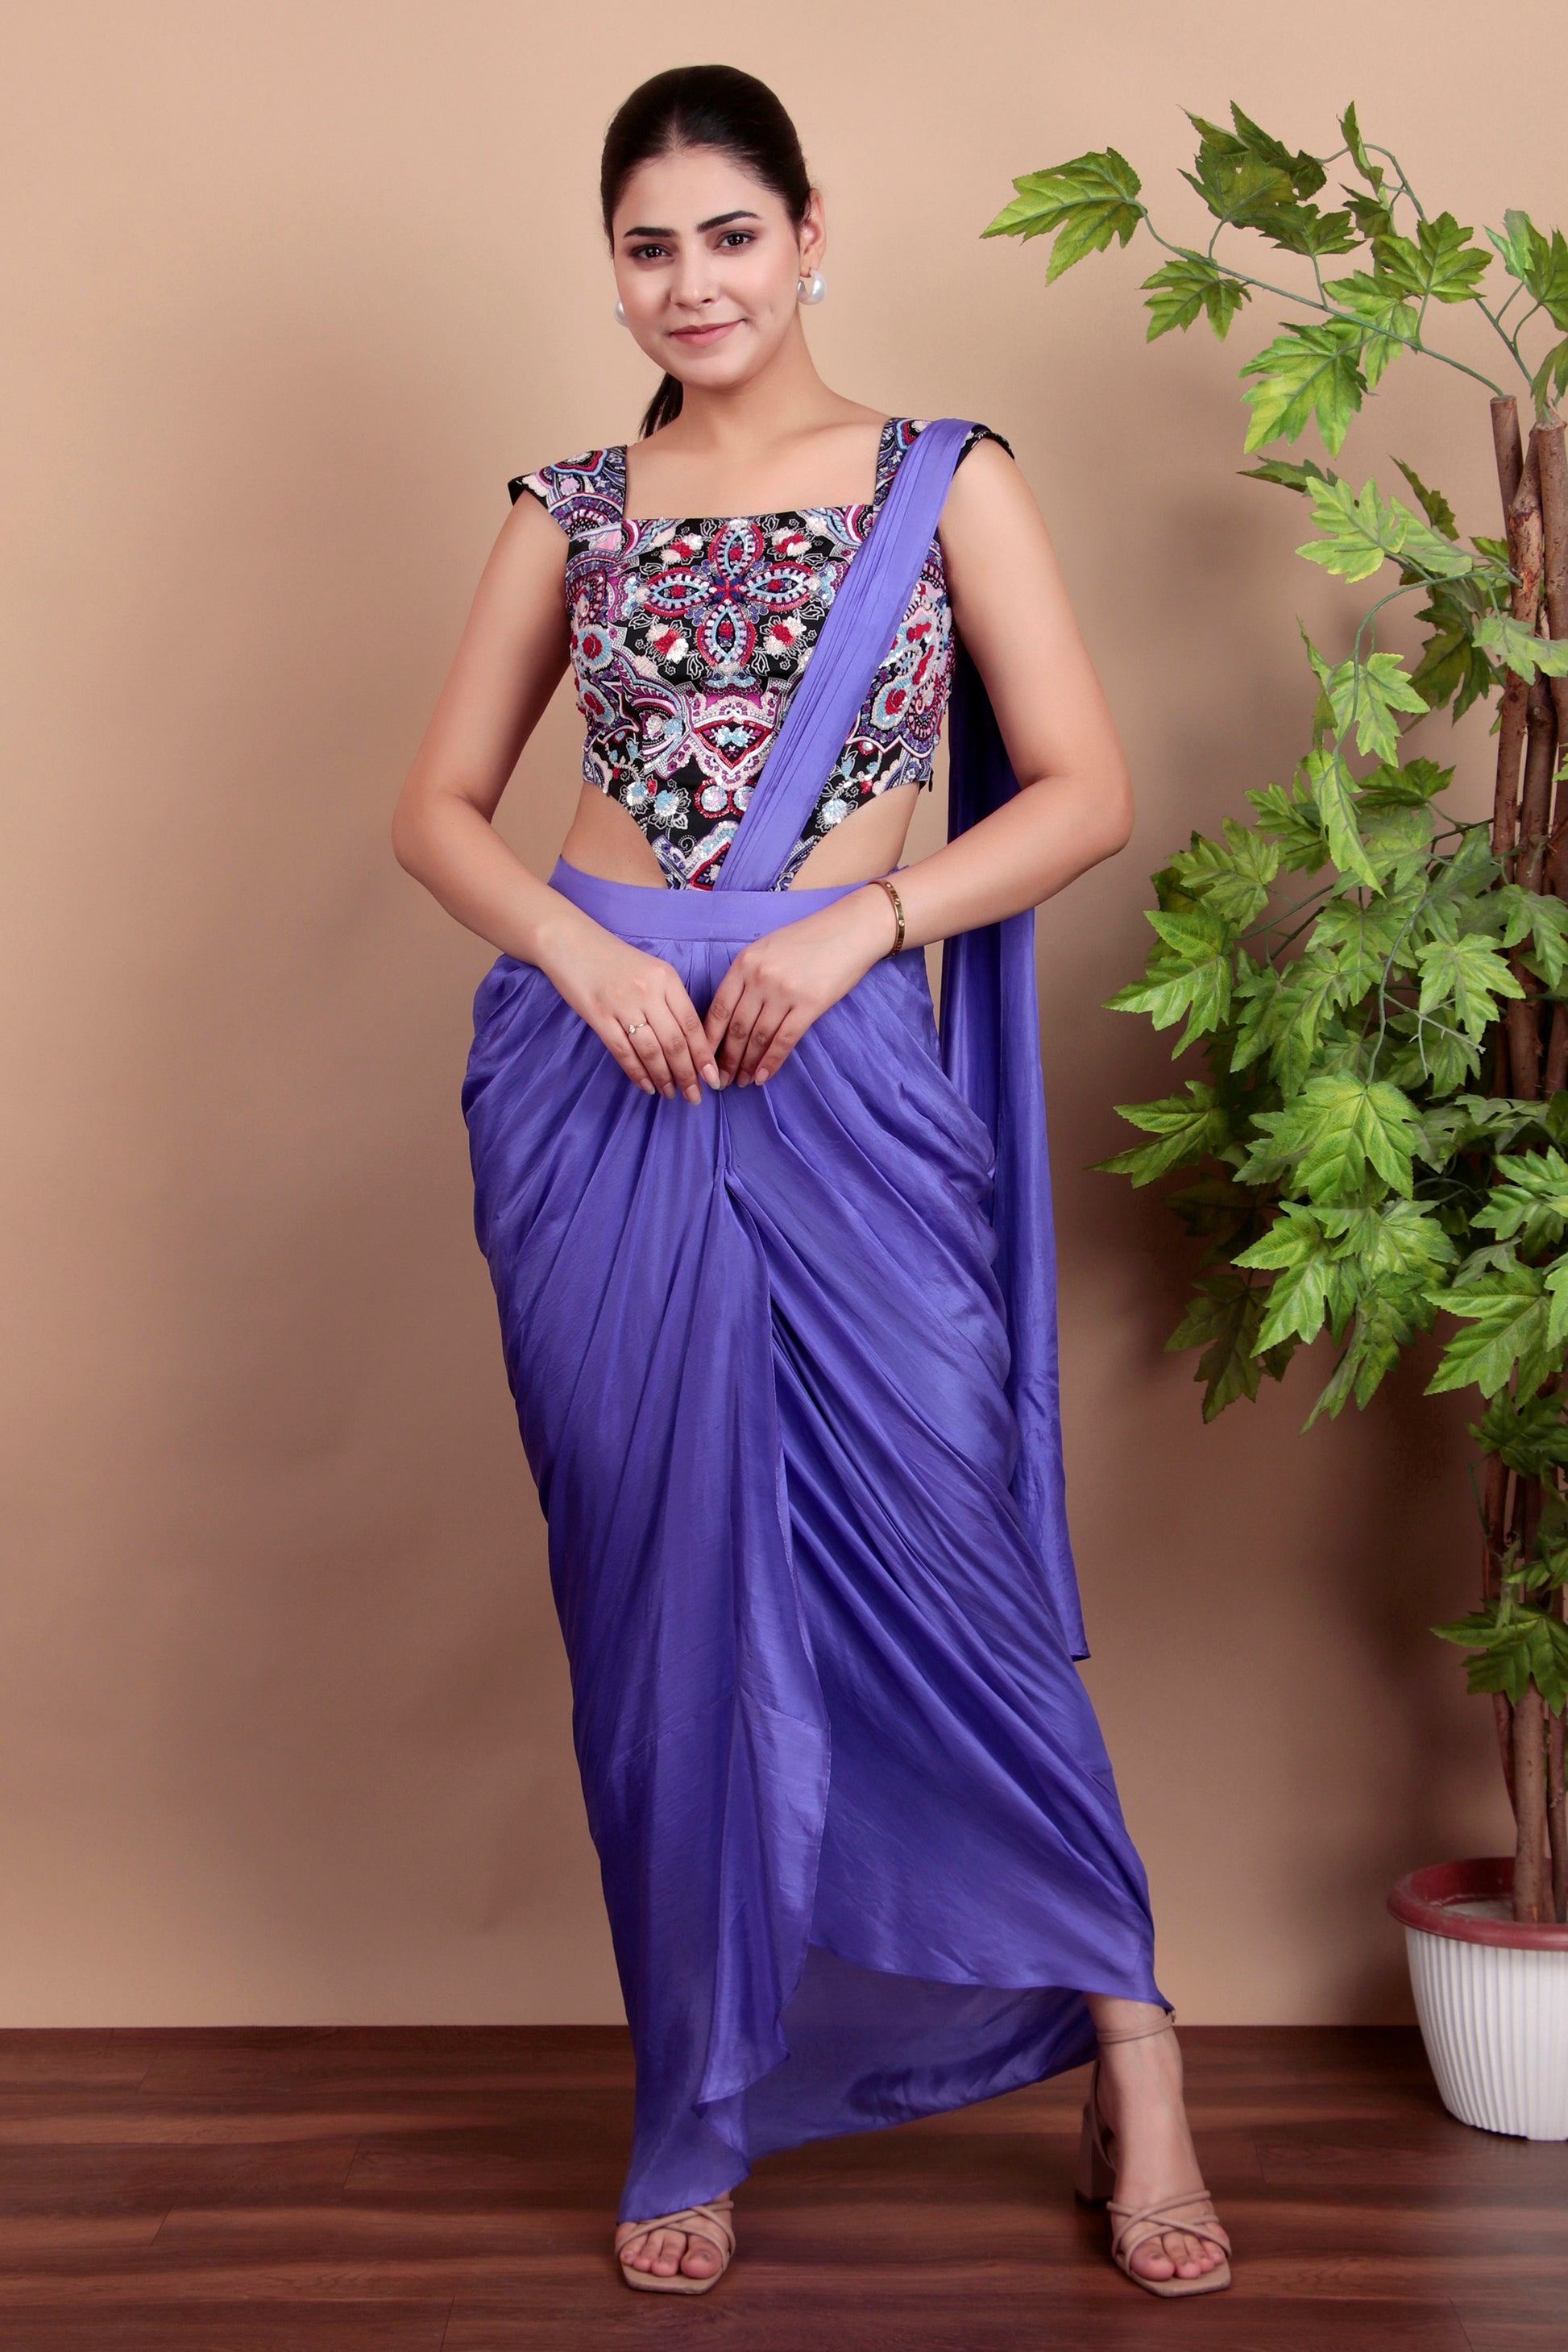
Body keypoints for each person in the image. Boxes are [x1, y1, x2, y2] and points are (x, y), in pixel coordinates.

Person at [391, 62, 1232, 2304]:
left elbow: (1083, 789)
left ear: (810, 234)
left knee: (951, 1554)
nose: (693, 283)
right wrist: (578, 959)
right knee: (658, 1594)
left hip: (836, 1055)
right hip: (597, 1080)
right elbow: (438, 809)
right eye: (648, 246)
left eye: (730, 235)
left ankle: (1132, 2050)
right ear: (611, 268)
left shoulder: (943, 479)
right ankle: (695, 2099)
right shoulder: (572, 503)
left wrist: (865, 924)